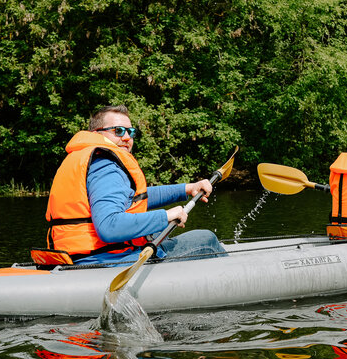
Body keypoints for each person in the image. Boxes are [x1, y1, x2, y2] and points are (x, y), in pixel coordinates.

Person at [36, 105, 226, 266]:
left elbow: (134, 198)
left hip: (77, 256)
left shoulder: (90, 159)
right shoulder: (105, 166)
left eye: (130, 131)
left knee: (157, 232)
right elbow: (109, 227)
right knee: (205, 238)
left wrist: (186, 189)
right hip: (103, 260)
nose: (127, 137)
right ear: (97, 133)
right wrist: (166, 215)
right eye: (118, 131)